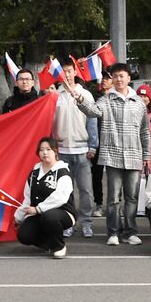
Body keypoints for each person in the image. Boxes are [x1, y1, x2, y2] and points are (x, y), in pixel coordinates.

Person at [78, 62, 151, 246]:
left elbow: (144, 131)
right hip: (112, 156)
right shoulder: (105, 100)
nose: (119, 79)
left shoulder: (139, 103)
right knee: (113, 198)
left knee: (132, 197)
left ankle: (131, 232)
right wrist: (80, 99)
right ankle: (113, 232)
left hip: (134, 156)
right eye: (115, 76)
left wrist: (147, 155)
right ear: (112, 80)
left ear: (128, 78)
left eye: (122, 76)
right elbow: (92, 111)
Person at [51, 63, 99, 238]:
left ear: (75, 73)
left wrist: (93, 145)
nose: (66, 74)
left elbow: (92, 120)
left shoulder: (85, 94)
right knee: (65, 191)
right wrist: (52, 146)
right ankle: (68, 222)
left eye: (69, 71)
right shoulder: (55, 95)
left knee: (86, 190)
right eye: (63, 71)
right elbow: (50, 122)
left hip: (82, 149)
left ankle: (86, 222)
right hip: (62, 150)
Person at [16, 137, 76, 258]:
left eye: (48, 149)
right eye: (41, 150)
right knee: (24, 235)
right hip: (39, 213)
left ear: (55, 151)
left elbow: (60, 197)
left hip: (62, 213)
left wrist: (39, 209)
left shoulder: (62, 172)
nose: (45, 152)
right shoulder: (34, 172)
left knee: (49, 217)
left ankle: (59, 246)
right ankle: (48, 243)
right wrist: (19, 216)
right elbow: (28, 196)